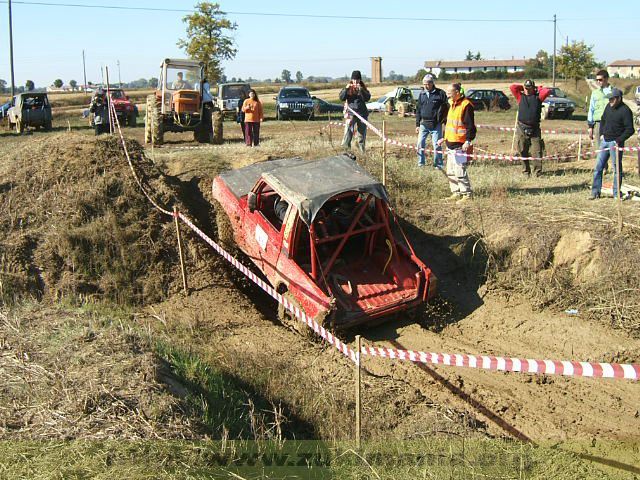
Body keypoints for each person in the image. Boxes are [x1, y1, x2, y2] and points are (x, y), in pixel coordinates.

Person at [589, 88, 635, 200]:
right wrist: (602, 134)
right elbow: (603, 120)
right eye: (609, 99)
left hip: (616, 143)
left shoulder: (625, 111)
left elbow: (630, 129)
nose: (610, 101)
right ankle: (595, 193)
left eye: (612, 99)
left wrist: (619, 140)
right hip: (605, 141)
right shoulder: (608, 107)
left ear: (619, 98)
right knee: (598, 167)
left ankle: (616, 194)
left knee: (616, 169)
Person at [437, 83, 476, 202]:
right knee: (450, 171)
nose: (447, 93)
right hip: (450, 143)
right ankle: (456, 192)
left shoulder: (466, 105)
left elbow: (470, 126)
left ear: (457, 92)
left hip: (460, 145)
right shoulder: (451, 104)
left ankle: (467, 194)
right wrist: (444, 137)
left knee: (460, 171)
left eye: (450, 92)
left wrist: (468, 141)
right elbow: (449, 123)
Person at [509, 79, 552, 177]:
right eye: (526, 88)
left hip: (535, 129)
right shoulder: (520, 96)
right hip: (521, 128)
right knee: (522, 150)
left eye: (529, 88)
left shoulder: (538, 97)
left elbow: (547, 91)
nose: (527, 90)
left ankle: (538, 172)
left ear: (533, 88)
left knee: (537, 151)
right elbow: (512, 87)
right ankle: (526, 171)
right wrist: (523, 87)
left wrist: (539, 88)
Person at [415, 74, 448, 168]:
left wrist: (445, 122)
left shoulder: (440, 93)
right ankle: (421, 163)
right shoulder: (422, 94)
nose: (426, 86)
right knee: (420, 143)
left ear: (432, 83)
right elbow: (418, 110)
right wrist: (417, 124)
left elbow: (446, 108)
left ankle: (438, 164)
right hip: (423, 124)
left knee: (437, 145)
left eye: (428, 84)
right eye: (424, 84)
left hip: (436, 124)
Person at [339, 70, 371, 153]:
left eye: (357, 80)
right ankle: (346, 150)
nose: (355, 82)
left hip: (362, 114)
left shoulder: (363, 88)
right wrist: (346, 89)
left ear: (360, 80)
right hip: (351, 114)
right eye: (354, 80)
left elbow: (367, 98)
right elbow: (341, 98)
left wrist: (361, 91)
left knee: (361, 135)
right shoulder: (348, 88)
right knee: (348, 132)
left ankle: (362, 152)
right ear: (351, 80)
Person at [587, 69, 615, 144]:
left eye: (600, 80)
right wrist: (590, 127)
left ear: (606, 79)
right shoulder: (595, 93)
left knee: (612, 149)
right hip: (599, 124)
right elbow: (591, 109)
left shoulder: (614, 92)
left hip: (611, 124)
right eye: (597, 80)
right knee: (600, 151)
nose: (598, 82)